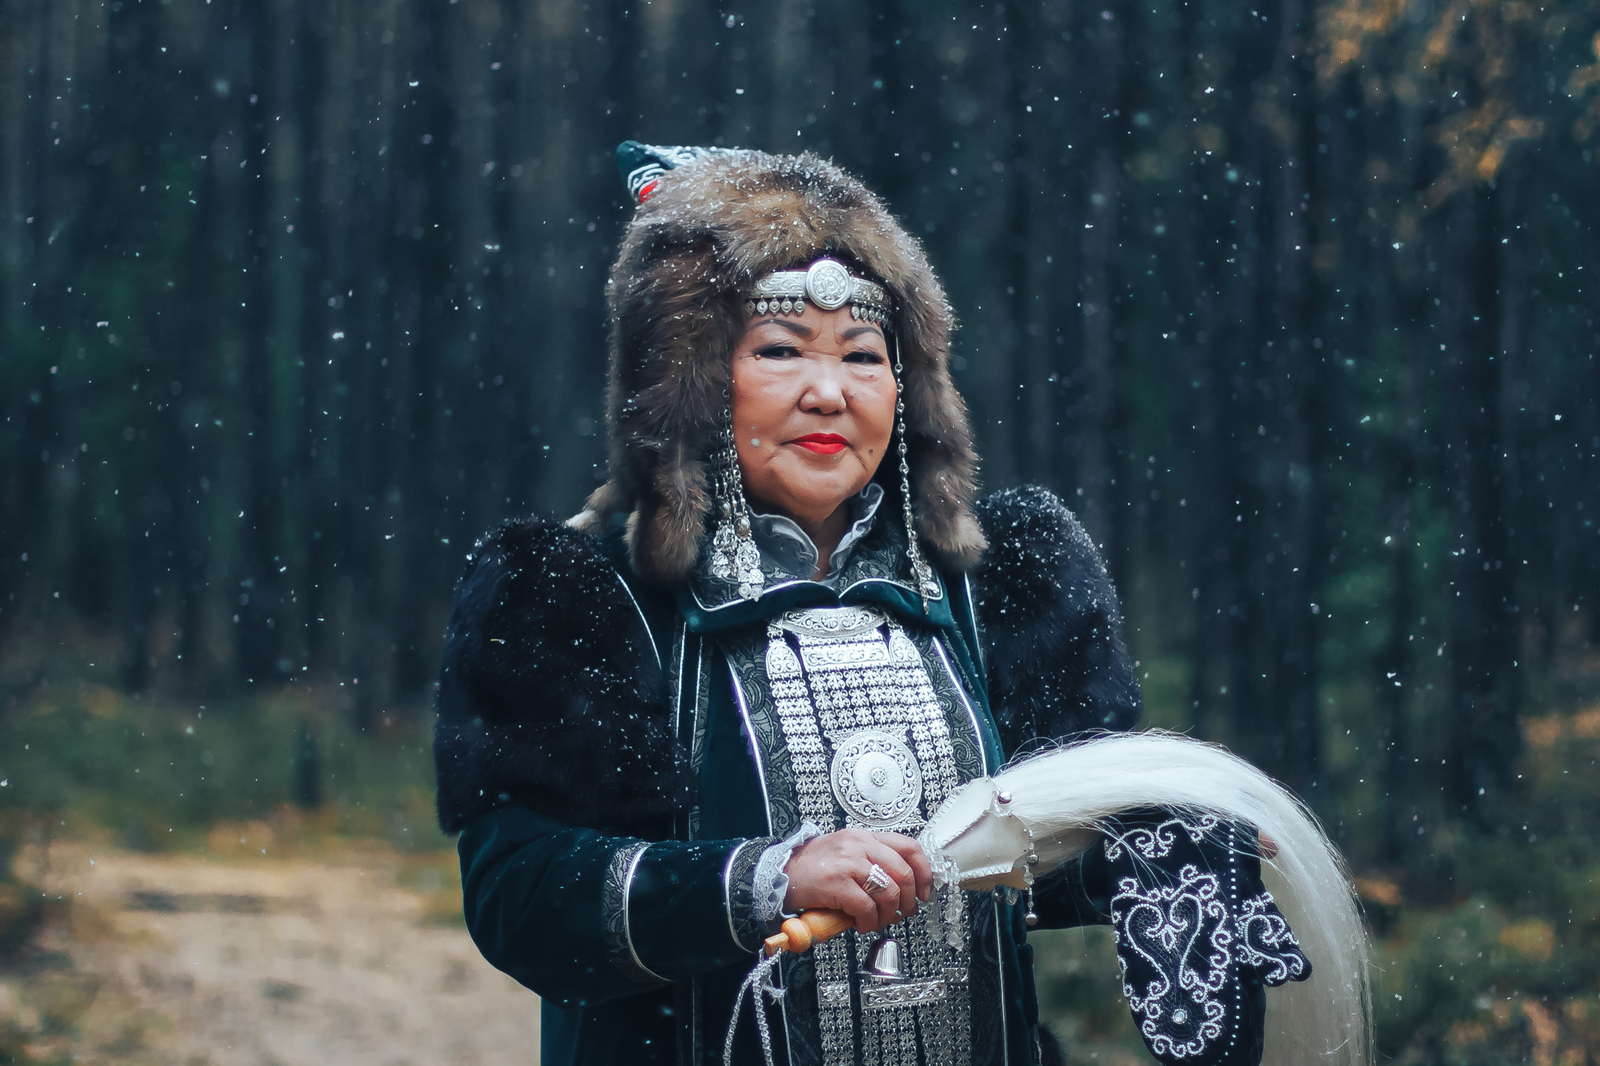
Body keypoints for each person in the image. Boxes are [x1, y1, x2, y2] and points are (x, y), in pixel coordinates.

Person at [434, 143, 1307, 1066]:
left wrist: (1153, 854)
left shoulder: (993, 586)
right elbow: (521, 896)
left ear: (907, 385)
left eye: (862, 354)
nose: (829, 391)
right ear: (687, 377)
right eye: (778, 350)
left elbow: (1015, 870)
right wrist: (764, 879)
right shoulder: (582, 593)